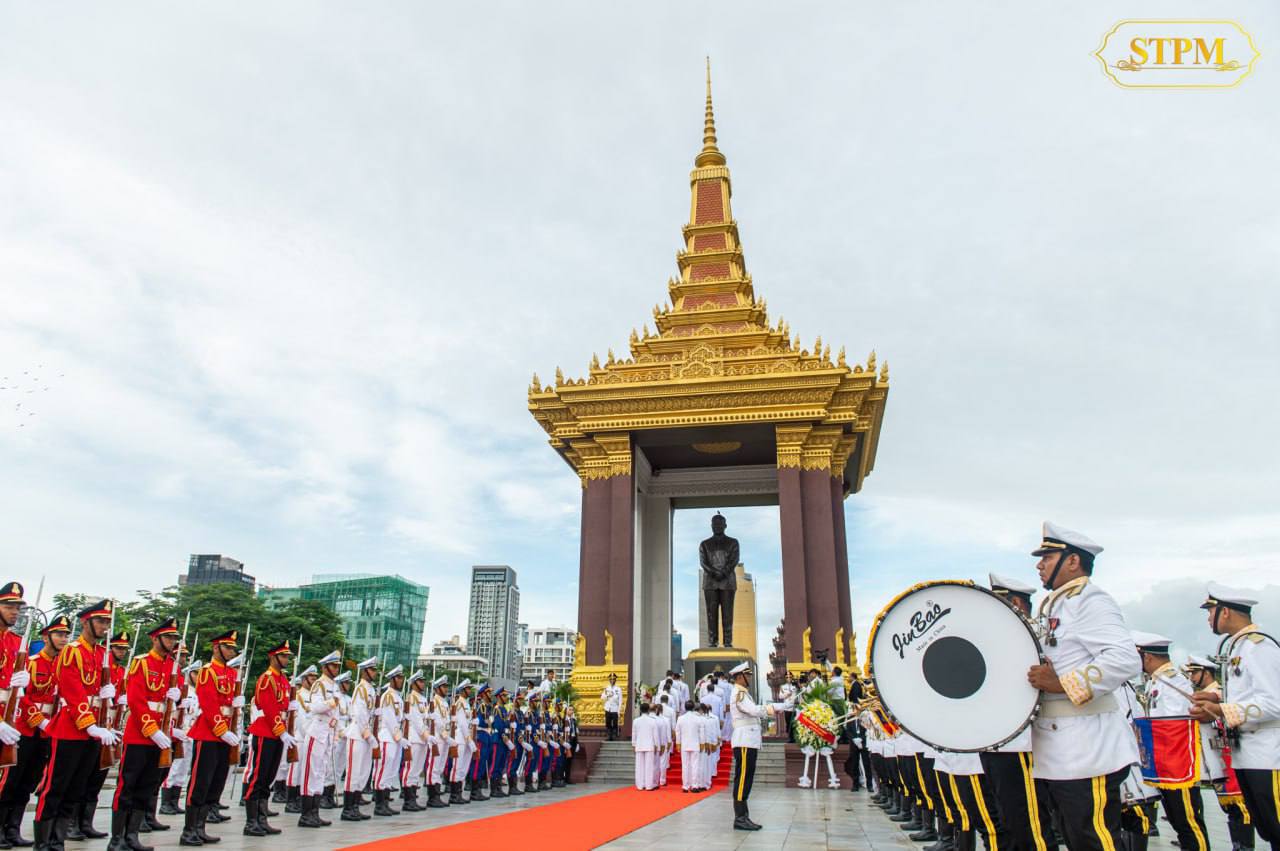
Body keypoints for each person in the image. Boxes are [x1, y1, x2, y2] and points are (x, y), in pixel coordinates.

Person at [1025, 521, 1140, 851]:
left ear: (1073, 561)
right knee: (1076, 838)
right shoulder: (1055, 606)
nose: (1039, 564)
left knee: (1095, 840)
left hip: (1088, 749)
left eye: (1047, 556)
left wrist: (1062, 684)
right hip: (1059, 748)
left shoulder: (1090, 600)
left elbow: (1124, 658)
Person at [1191, 583, 1280, 847]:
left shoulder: (1259, 647)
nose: (1209, 618)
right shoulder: (1237, 648)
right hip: (1248, 754)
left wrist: (1222, 710)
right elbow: (1248, 694)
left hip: (1268, 753)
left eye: (1211, 611)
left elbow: (1275, 702)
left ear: (1226, 612)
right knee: (1268, 829)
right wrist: (1215, 699)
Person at [33, 599, 120, 850]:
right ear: (86, 622)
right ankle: (43, 842)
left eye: (107, 622)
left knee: (76, 788)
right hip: (71, 729)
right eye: (101, 621)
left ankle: (57, 840)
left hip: (93, 732)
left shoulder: (101, 654)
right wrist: (89, 724)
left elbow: (95, 692)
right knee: (55, 787)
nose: (105, 626)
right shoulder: (72, 651)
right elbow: (72, 691)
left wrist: (108, 696)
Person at [982, 572, 1058, 851]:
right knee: (1009, 820)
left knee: (1031, 827)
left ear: (1016, 603)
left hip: (1020, 742)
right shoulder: (994, 639)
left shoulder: (1035, 637)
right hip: (994, 741)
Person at [1132, 631, 1211, 851]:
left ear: (1146, 657)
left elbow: (1178, 725)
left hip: (1178, 766)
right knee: (1179, 823)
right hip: (1164, 765)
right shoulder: (1156, 681)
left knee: (1189, 823)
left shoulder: (1173, 680)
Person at [110, 616, 181, 851]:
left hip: (161, 735)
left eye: (174, 638)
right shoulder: (141, 663)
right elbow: (137, 702)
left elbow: (170, 702)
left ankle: (132, 835)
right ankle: (117, 838)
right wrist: (152, 730)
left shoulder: (171, 666)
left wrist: (177, 697)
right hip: (140, 734)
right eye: (168, 637)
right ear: (155, 638)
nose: (172, 641)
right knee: (127, 786)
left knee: (147, 787)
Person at [0, 614, 69, 849]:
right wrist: (39, 720)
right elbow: (22, 698)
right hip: (25, 729)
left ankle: (13, 828)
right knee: (11, 781)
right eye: (59, 634)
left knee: (29, 782)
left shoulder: (60, 665)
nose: (63, 639)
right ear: (46, 636)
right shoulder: (31, 662)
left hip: (46, 731)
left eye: (66, 635)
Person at [1184, 653, 1256, 851]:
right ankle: (1238, 845)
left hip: (1228, 753)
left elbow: (1227, 705)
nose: (1192, 678)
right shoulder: (1206, 693)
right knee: (1230, 806)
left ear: (1206, 673)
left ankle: (1244, 846)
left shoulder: (1218, 690)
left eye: (1195, 673)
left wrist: (1214, 700)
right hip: (1215, 757)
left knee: (1239, 805)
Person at [180, 628, 243, 847]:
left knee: (215, 783)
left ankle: (201, 827)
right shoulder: (208, 671)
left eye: (233, 648)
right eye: (228, 647)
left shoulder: (231, 674)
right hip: (209, 734)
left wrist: (236, 708)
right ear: (217, 648)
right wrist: (221, 729)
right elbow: (208, 704)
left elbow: (228, 704)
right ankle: (189, 830)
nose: (231, 651)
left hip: (225, 735)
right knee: (200, 782)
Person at [242, 638, 296, 835]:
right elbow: (269, 706)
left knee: (269, 778)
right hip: (266, 731)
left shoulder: (282, 679)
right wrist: (281, 731)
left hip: (277, 732)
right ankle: (251, 823)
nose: (286, 659)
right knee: (259, 777)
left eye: (287, 656)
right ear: (273, 657)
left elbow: (281, 707)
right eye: (283, 656)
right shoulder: (267, 679)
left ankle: (261, 819)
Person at [727, 661, 771, 831]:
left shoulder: (744, 693)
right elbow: (753, 711)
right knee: (743, 778)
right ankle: (740, 817)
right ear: (740, 677)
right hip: (744, 741)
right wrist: (773, 707)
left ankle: (743, 815)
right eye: (748, 675)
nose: (750, 678)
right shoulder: (739, 693)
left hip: (749, 741)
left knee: (747, 778)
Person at [342, 657, 379, 820]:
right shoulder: (360, 689)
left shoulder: (371, 689)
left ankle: (355, 806)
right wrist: (367, 733)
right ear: (365, 672)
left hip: (366, 735)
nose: (375, 672)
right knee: (353, 772)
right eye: (372, 670)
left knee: (363, 772)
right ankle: (348, 809)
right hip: (358, 734)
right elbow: (359, 713)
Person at [372, 665, 406, 816]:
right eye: (398, 678)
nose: (401, 680)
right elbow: (390, 719)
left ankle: (385, 802)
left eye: (402, 678)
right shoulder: (388, 696)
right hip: (387, 736)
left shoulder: (398, 696)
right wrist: (399, 737)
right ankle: (379, 805)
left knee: (391, 771)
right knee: (383, 770)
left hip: (396, 738)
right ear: (392, 679)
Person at [448, 680, 474, 803]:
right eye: (468, 689)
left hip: (466, 739)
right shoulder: (459, 704)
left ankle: (459, 792)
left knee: (464, 767)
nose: (470, 691)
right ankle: (454, 795)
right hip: (460, 738)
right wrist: (470, 740)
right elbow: (462, 724)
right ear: (463, 690)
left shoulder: (467, 704)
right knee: (457, 767)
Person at [426, 676, 451, 807]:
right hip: (437, 738)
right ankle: (432, 797)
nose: (446, 689)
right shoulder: (434, 702)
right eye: (444, 686)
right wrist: (445, 735)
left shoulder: (445, 702)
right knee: (434, 767)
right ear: (437, 689)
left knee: (440, 767)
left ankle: (436, 794)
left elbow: (446, 721)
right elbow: (437, 722)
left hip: (445, 739)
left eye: (446, 686)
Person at [675, 700, 704, 792]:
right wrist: (702, 743)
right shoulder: (698, 718)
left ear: (685, 707)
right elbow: (701, 733)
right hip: (695, 744)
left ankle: (685, 786)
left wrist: (678, 743)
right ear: (693, 708)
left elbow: (678, 732)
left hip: (684, 744)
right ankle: (694, 785)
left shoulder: (680, 718)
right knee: (695, 765)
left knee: (685, 765)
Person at [632, 702, 655, 790]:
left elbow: (634, 734)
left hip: (639, 744)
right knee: (649, 766)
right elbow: (655, 735)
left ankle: (640, 785)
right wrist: (656, 745)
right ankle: (649, 785)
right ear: (648, 710)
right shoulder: (652, 721)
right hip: (649, 745)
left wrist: (634, 744)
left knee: (639, 766)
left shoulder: (636, 721)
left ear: (640, 710)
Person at [601, 674, 622, 741]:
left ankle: (614, 735)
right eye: (611, 679)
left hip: (615, 708)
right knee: (608, 722)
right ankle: (609, 736)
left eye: (613, 679)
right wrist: (607, 695)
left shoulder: (618, 689)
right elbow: (602, 697)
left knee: (615, 723)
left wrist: (619, 710)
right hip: (608, 708)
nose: (612, 681)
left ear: (615, 680)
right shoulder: (607, 688)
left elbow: (620, 700)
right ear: (609, 680)